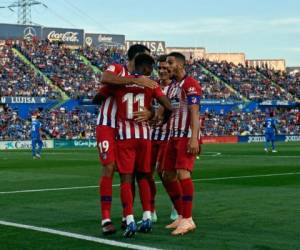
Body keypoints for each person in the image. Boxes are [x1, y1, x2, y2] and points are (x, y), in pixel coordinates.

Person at [97, 53, 172, 238]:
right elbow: (169, 106)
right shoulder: (119, 71)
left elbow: (98, 96)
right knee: (138, 175)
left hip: (125, 134)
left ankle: (128, 217)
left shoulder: (123, 85)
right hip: (124, 130)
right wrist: (158, 118)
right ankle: (113, 218)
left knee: (126, 177)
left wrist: (151, 113)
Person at [162, 52, 201, 236]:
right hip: (173, 135)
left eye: (170, 63)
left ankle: (188, 218)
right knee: (167, 174)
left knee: (183, 174)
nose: (167, 66)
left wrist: (194, 137)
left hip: (186, 135)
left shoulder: (190, 84)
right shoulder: (173, 87)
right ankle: (180, 214)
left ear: (179, 65)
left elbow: (194, 112)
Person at [149, 55, 178, 222]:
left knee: (165, 173)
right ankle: (150, 210)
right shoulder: (151, 86)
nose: (162, 71)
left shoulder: (176, 88)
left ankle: (176, 204)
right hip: (150, 135)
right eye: (159, 68)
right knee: (146, 173)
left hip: (168, 135)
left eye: (165, 68)